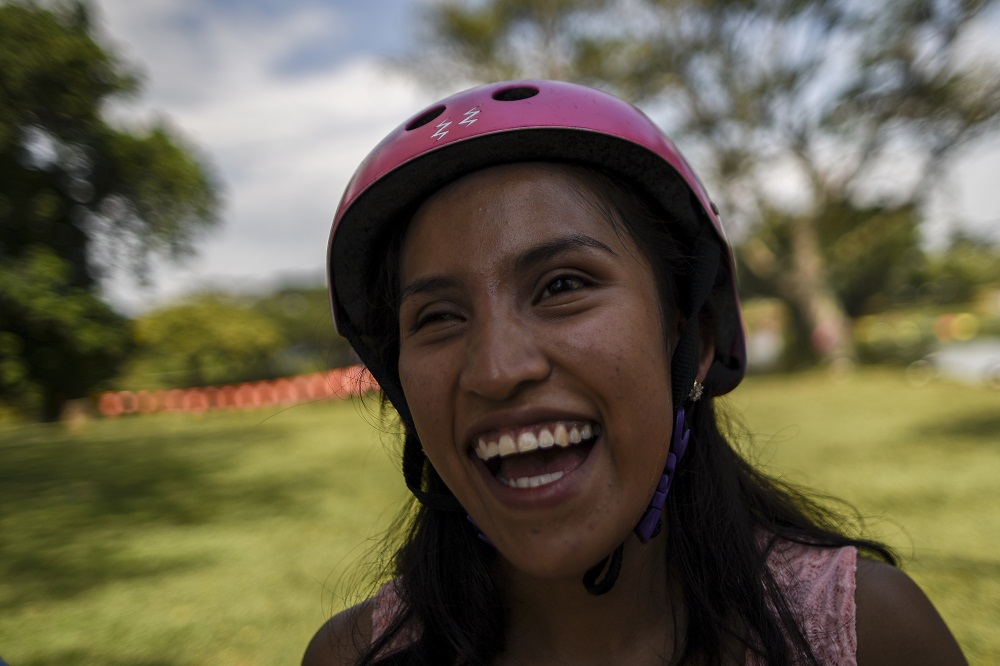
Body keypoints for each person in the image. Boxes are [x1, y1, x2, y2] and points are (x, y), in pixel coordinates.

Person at [304, 80, 966, 665]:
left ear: (695, 337)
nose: (498, 370)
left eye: (562, 285)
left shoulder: (866, 636)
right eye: (438, 317)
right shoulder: (353, 658)